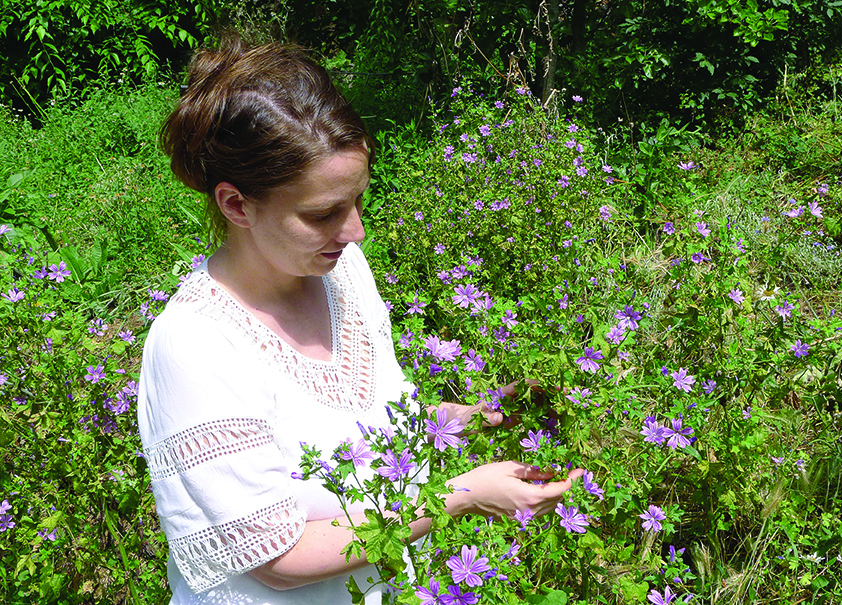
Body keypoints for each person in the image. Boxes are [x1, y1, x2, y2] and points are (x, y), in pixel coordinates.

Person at [138, 35, 582, 604]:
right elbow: (280, 557)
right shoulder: (197, 346)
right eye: (323, 213)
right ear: (236, 204)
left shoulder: (341, 273)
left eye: (357, 201)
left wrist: (465, 419)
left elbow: (360, 432)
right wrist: (463, 494)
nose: (355, 232)